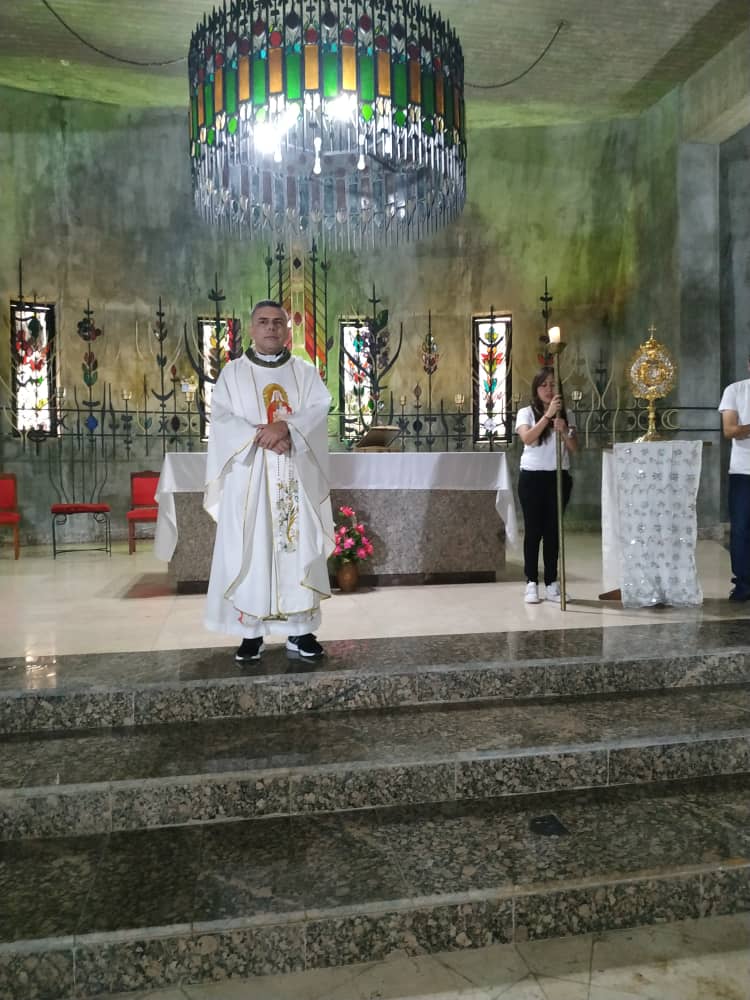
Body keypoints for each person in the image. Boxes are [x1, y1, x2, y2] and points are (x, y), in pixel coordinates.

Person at [203, 300, 335, 661]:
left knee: (297, 547)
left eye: (278, 322)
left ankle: (300, 631)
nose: (271, 328)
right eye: (263, 321)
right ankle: (251, 632)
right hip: (249, 479)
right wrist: (263, 435)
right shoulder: (232, 373)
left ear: (287, 330)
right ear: (251, 329)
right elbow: (222, 417)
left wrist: (286, 428)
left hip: (294, 475)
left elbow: (319, 408)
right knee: (251, 549)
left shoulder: (305, 373)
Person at [515, 368, 577, 604]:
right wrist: (547, 416)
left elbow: (574, 448)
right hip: (532, 477)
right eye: (544, 385)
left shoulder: (567, 414)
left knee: (553, 532)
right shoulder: (525, 413)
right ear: (536, 389)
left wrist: (564, 430)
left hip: (558, 477)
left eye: (553, 385)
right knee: (533, 531)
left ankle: (552, 583)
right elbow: (527, 438)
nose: (549, 389)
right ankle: (531, 582)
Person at [719, 361, 750, 600]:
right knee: (741, 529)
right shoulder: (736, 390)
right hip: (744, 471)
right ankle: (744, 584)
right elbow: (729, 430)